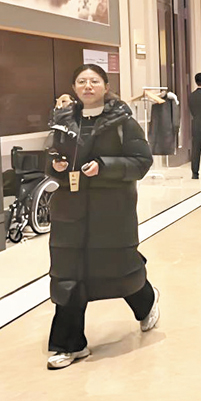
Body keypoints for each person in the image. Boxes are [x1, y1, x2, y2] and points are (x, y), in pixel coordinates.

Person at [45, 64, 159, 370]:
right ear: (74, 87)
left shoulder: (123, 122)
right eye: (81, 81)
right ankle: (70, 345)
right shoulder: (63, 122)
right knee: (68, 276)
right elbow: (51, 158)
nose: (87, 86)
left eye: (94, 81)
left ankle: (146, 302)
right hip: (69, 212)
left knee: (119, 270)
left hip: (111, 212)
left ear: (106, 86)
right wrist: (55, 166)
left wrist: (104, 167)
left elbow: (141, 161)